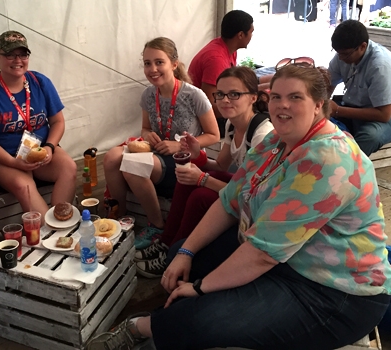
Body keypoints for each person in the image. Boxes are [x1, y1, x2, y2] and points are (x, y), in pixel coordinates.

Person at [87, 63, 391, 350]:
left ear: (318, 105)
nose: (282, 105)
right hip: (285, 260)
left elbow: (262, 254)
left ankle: (143, 328)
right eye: (276, 97)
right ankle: (174, 318)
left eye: (295, 97)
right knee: (180, 255)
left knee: (202, 317)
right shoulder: (276, 142)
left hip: (333, 292)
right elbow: (230, 198)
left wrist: (202, 288)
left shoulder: (326, 159)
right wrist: (186, 252)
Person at [135, 66, 273, 278]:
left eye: (235, 94)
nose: (225, 100)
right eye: (220, 94)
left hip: (258, 209)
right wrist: (196, 155)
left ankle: (176, 251)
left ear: (253, 97)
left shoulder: (262, 135)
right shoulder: (232, 125)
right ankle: (166, 243)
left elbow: (249, 196)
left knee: (200, 193)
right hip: (243, 189)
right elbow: (220, 166)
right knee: (187, 178)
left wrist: (202, 179)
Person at [103, 37, 220, 250]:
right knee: (111, 156)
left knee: (133, 166)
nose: (152, 69)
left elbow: (214, 135)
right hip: (156, 155)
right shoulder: (148, 94)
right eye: (147, 63)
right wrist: (147, 135)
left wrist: (180, 145)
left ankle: (157, 225)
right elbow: (145, 128)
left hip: (183, 162)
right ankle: (118, 216)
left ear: (174, 64)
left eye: (159, 62)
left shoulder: (194, 95)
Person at [0, 31, 76, 222]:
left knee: (69, 167)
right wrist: (13, 163)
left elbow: (58, 121)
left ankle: (63, 223)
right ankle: (48, 230)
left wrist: (50, 147)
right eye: (10, 54)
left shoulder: (39, 82)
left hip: (41, 151)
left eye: (23, 54)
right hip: (6, 159)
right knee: (23, 184)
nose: (17, 60)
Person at [328, 20, 391, 156]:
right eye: (338, 53)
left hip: (389, 118)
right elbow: (327, 85)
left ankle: (345, 168)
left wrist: (338, 111)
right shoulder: (343, 54)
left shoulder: (380, 66)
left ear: (362, 47)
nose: (340, 58)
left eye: (345, 54)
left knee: (370, 136)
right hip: (353, 106)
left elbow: (384, 114)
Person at [188, 10, 270, 135]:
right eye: (251, 32)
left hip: (217, 111)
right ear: (241, 35)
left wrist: (268, 82)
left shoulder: (226, 47)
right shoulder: (216, 59)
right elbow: (211, 106)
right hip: (206, 121)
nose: (252, 36)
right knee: (264, 116)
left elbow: (234, 87)